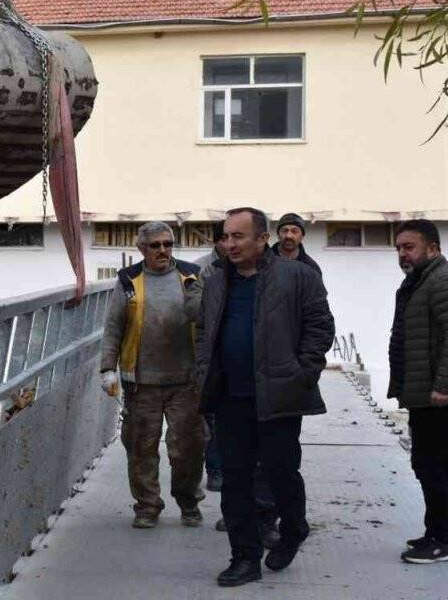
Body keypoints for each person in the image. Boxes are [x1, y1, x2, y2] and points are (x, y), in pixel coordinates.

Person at [195, 207, 334, 587]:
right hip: (230, 398)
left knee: (280, 473)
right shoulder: (216, 280)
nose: (229, 244)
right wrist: (203, 376)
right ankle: (244, 557)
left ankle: (293, 529)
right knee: (235, 480)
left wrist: (301, 373)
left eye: (238, 236)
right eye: (225, 236)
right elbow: (206, 332)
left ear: (262, 238)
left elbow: (321, 328)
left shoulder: (298, 276)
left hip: (279, 397)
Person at [100, 221, 205, 529]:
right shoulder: (129, 281)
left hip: (185, 381)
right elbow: (113, 327)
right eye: (155, 245)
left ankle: (188, 502)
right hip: (141, 382)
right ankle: (147, 506)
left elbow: (208, 321)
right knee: (140, 447)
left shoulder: (191, 276)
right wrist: (108, 368)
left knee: (188, 447)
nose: (163, 250)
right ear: (141, 249)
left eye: (168, 244)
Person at [388, 219, 448, 564]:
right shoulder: (421, 280)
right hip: (428, 393)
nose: (402, 254)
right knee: (435, 463)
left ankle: (442, 539)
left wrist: (443, 386)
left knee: (432, 464)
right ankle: (439, 534)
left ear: (433, 248)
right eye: (398, 248)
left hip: (443, 395)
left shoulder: (445, 279)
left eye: (409, 247)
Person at [194, 222, 226, 494]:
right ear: (216, 242)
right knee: (212, 417)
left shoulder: (255, 267)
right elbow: (195, 314)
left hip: (239, 355)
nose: (231, 244)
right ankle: (215, 469)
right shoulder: (203, 270)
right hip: (211, 355)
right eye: (225, 238)